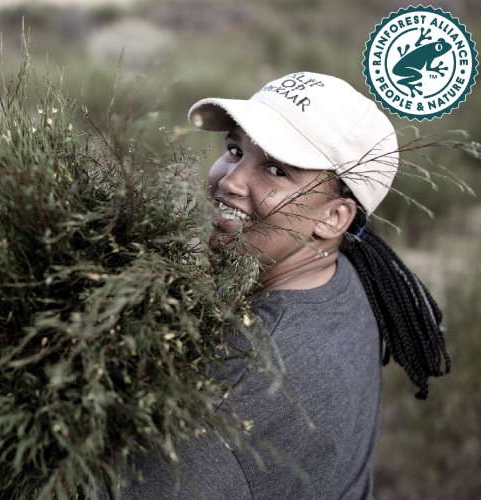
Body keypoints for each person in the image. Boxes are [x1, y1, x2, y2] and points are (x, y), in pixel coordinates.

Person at [109, 72, 450, 499]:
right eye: (235, 150)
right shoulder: (340, 276)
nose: (230, 180)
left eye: (276, 169)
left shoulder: (229, 387)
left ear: (333, 218)